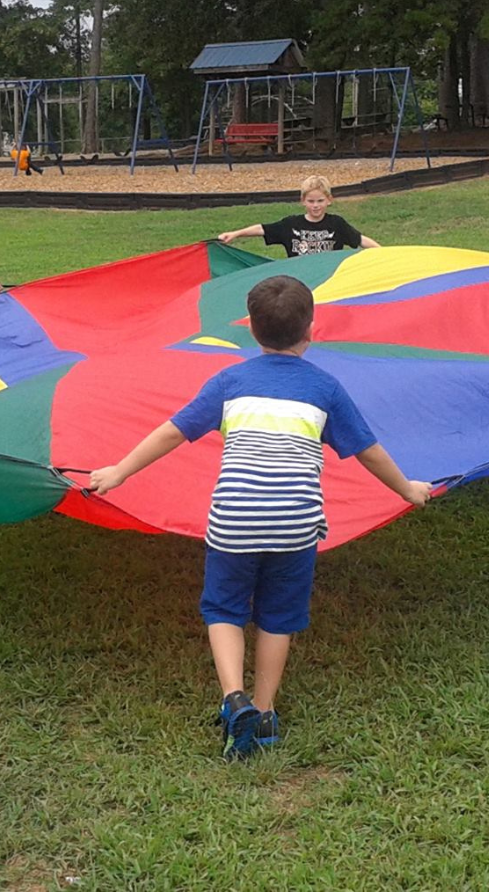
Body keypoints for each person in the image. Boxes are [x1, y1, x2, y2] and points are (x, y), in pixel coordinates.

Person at [89, 275, 431, 758]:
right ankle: (265, 713)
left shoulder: (230, 382)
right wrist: (407, 488)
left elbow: (171, 433)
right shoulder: (324, 388)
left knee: (224, 608)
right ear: (312, 328)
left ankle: (234, 700)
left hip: (235, 522)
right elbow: (368, 452)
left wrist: (119, 471)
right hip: (294, 525)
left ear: (250, 327)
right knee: (278, 615)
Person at [217, 175, 380, 257]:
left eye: (320, 201)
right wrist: (235, 234)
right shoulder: (291, 224)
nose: (315, 205)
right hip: (298, 282)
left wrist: (386, 254)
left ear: (329, 200)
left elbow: (360, 240)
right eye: (311, 201)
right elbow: (262, 229)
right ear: (303, 201)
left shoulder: (337, 224)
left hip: (329, 281)